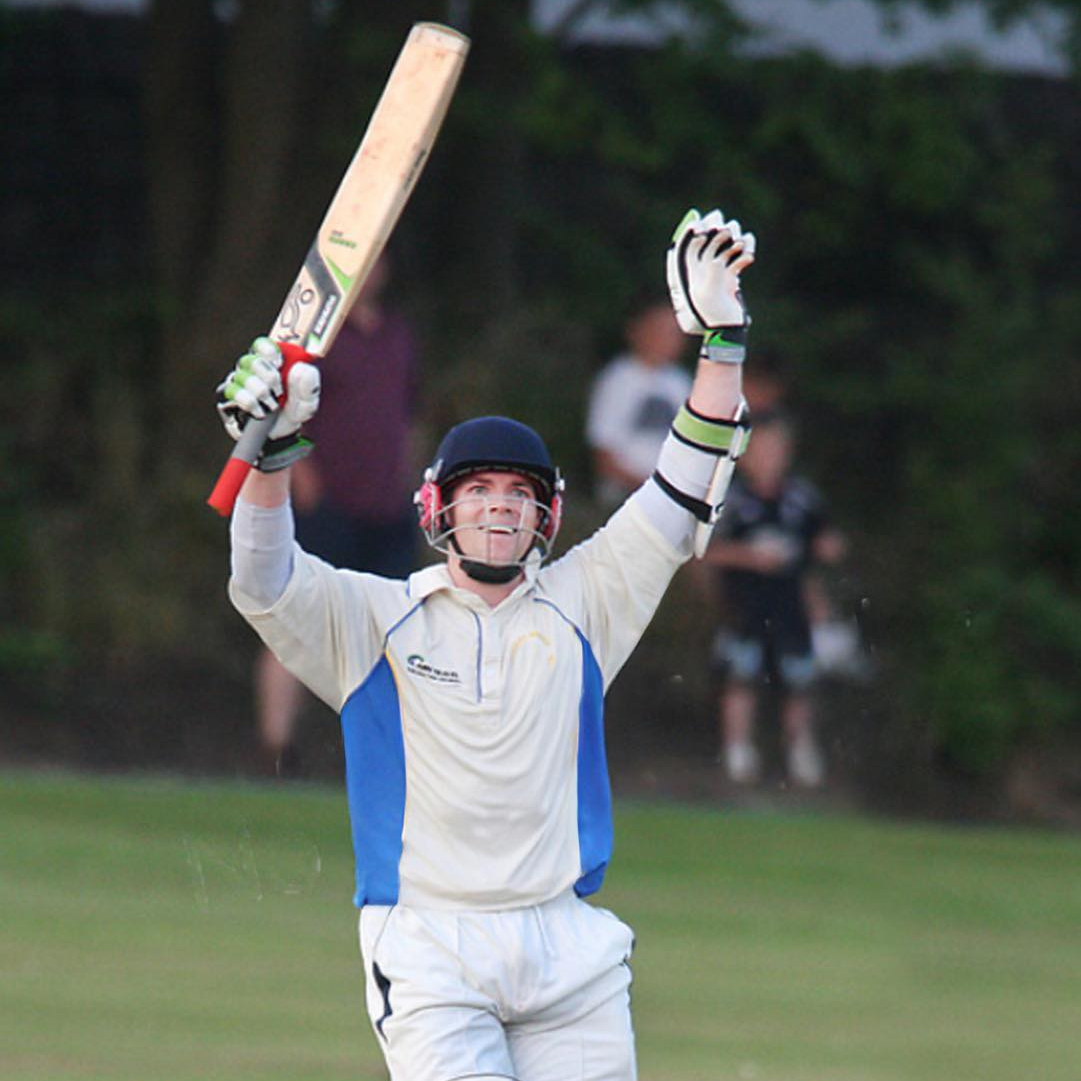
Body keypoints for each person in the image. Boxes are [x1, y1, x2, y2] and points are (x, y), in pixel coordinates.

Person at [215, 207, 755, 1081]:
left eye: (518, 492)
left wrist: (722, 341)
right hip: (429, 942)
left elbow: (684, 483)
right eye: (479, 489)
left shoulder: (587, 599)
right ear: (439, 508)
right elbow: (263, 580)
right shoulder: (377, 619)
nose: (499, 505)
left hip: (566, 948)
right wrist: (269, 457)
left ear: (546, 515)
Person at [250, 255, 419, 775]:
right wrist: (306, 485)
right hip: (328, 504)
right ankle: (276, 748)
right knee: (296, 620)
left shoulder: (398, 336)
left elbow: (408, 417)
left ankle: (388, 752)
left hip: (387, 504)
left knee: (395, 629)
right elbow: (282, 413)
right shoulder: (316, 343)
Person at [703, 410, 846, 788]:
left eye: (775, 449)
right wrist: (750, 557)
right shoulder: (730, 499)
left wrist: (825, 555)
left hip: (790, 606)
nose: (768, 458)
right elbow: (703, 551)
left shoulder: (802, 498)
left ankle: (801, 752)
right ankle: (737, 751)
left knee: (798, 681)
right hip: (744, 606)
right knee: (740, 677)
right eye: (761, 450)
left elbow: (826, 545)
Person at [586, 297, 691, 509]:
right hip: (624, 498)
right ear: (637, 330)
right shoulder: (617, 379)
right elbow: (603, 455)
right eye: (661, 330)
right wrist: (654, 490)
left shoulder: (681, 383)